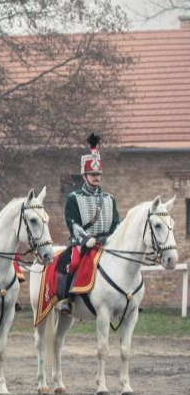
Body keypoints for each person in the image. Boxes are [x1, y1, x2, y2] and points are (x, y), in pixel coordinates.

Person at [57, 133, 119, 315]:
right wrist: (86, 239)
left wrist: (114, 239)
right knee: (73, 263)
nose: (96, 177)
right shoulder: (74, 198)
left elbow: (116, 224)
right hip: (83, 243)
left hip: (105, 244)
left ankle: (128, 299)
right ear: (84, 176)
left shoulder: (109, 199)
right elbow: (73, 224)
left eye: (98, 174)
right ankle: (67, 299)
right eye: (92, 174)